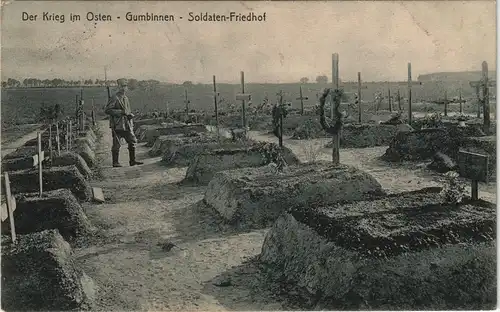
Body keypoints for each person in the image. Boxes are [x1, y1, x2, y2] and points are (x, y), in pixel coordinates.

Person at [104, 78, 143, 167]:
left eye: (125, 86)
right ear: (118, 87)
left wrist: (129, 115)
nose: (124, 88)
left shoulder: (125, 98)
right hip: (117, 124)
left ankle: (132, 161)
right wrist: (121, 112)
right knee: (116, 144)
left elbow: (127, 111)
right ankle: (115, 162)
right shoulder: (115, 98)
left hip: (127, 124)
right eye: (122, 86)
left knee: (132, 141)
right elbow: (108, 110)